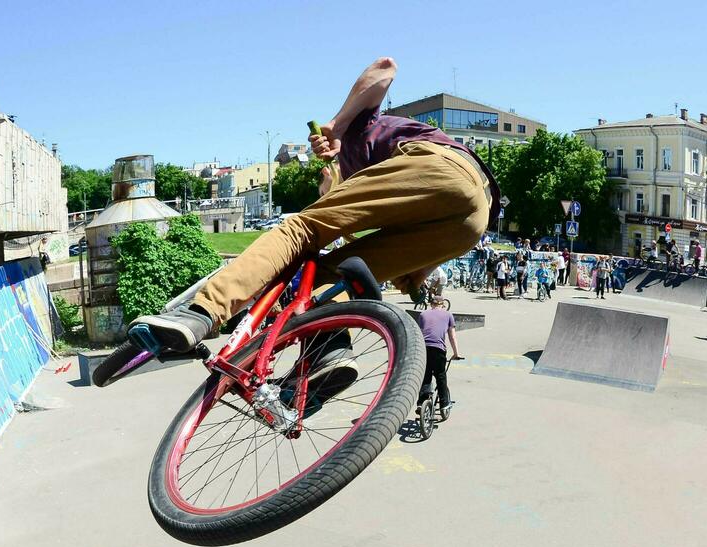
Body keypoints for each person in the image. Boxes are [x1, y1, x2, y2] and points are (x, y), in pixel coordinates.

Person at [128, 56, 500, 381]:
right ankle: (329, 356)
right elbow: (380, 228)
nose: (327, 178)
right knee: (325, 277)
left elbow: (385, 68)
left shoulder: (364, 127)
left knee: (301, 228)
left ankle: (200, 312)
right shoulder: (371, 184)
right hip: (471, 222)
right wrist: (416, 274)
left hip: (442, 168)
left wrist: (338, 125)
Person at [416, 296, 460, 419]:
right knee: (440, 376)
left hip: (424, 348)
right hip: (438, 349)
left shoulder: (423, 314)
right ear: (443, 305)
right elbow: (452, 336)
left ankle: (421, 403)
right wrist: (456, 353)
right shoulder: (448, 315)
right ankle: (444, 404)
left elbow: (419, 333)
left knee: (426, 375)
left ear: (431, 304)